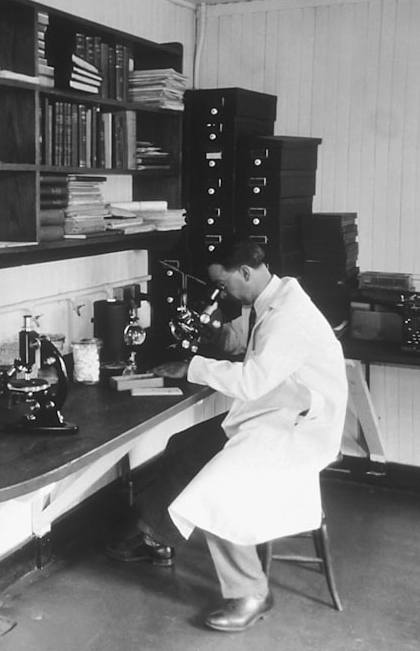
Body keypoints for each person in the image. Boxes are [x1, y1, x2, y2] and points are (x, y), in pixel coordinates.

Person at [106, 239, 348, 633]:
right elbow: (254, 347)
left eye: (223, 283)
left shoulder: (291, 316)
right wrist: (217, 341)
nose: (222, 293)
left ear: (246, 272)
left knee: (219, 487)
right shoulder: (273, 300)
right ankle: (157, 538)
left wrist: (192, 367)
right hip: (274, 413)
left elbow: (252, 381)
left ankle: (250, 592)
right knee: (185, 447)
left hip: (300, 429)